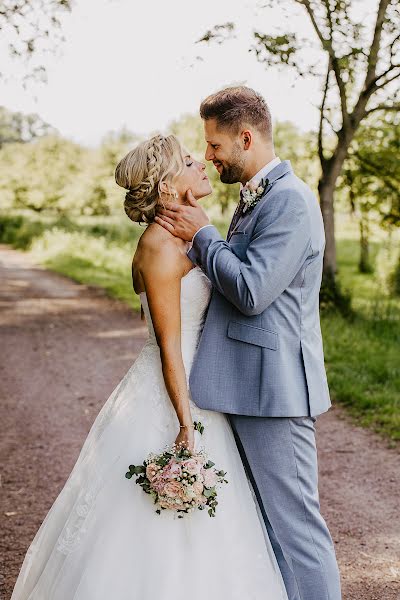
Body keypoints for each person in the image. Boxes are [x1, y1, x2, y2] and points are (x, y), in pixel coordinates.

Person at [10, 133, 287, 600]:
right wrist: (184, 423)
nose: (201, 162)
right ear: (165, 185)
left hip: (201, 385)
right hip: (175, 395)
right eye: (186, 160)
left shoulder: (181, 238)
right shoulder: (158, 248)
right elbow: (168, 346)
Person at [155, 86, 342, 600]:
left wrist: (203, 235)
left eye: (214, 146)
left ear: (245, 137)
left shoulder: (291, 202)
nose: (208, 156)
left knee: (297, 530)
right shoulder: (257, 195)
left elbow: (253, 291)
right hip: (244, 384)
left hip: (275, 390)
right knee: (265, 530)